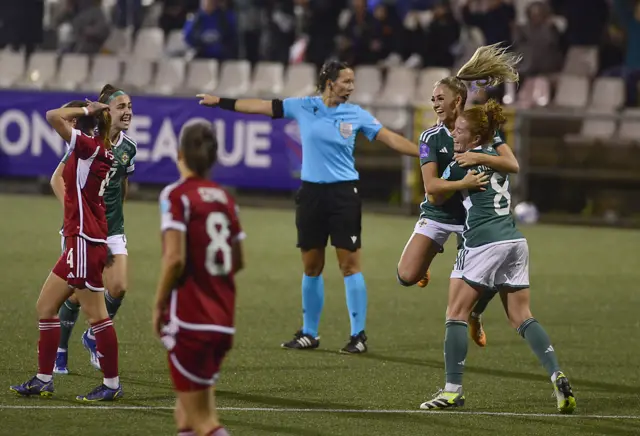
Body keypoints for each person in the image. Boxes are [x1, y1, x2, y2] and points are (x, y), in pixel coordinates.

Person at [197, 60, 419, 354]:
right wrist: (220, 102)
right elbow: (262, 106)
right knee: (311, 266)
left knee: (349, 265)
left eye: (353, 82)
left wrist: (426, 153)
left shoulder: (356, 114)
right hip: (311, 194)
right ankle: (309, 333)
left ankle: (358, 336)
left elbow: (390, 138)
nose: (351, 87)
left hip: (344, 195)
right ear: (329, 82)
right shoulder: (303, 106)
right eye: (346, 82)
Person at [418, 99, 576, 414]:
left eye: (461, 131)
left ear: (475, 137)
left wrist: (456, 179)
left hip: (482, 242)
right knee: (521, 316)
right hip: (515, 241)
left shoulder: (462, 161)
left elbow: (434, 192)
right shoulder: (497, 155)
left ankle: (452, 391)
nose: (455, 136)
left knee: (455, 312)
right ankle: (555, 372)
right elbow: (508, 161)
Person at [396, 43, 521, 348]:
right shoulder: (428, 138)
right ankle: (426, 261)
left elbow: (512, 164)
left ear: (458, 101)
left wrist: (480, 158)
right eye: (432, 99)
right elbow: (432, 190)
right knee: (406, 276)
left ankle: (477, 315)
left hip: (473, 219)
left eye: (441, 99)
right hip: (439, 214)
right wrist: (462, 182)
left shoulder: (480, 128)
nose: (435, 104)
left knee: (493, 277)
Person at [10, 100, 123, 402]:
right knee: (46, 306)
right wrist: (89, 112)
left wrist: (86, 110)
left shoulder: (90, 148)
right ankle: (44, 379)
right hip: (80, 241)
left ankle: (111, 384)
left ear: (80, 125)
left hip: (86, 242)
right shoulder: (93, 148)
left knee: (97, 316)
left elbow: (52, 116)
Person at [153, 120, 244, 436]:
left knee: (204, 421)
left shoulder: (177, 195)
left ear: (179, 154)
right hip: (222, 319)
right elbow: (238, 260)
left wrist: (158, 304)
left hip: (191, 320)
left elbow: (174, 258)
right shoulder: (226, 199)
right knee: (186, 415)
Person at [52, 84, 136, 374]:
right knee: (75, 293)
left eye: (130, 107)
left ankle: (91, 336)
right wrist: (75, 211)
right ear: (106, 112)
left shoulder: (129, 148)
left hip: (111, 229)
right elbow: (57, 179)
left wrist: (115, 215)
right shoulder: (89, 141)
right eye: (121, 107)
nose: (127, 112)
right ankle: (59, 352)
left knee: (119, 287)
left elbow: (123, 182)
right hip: (81, 229)